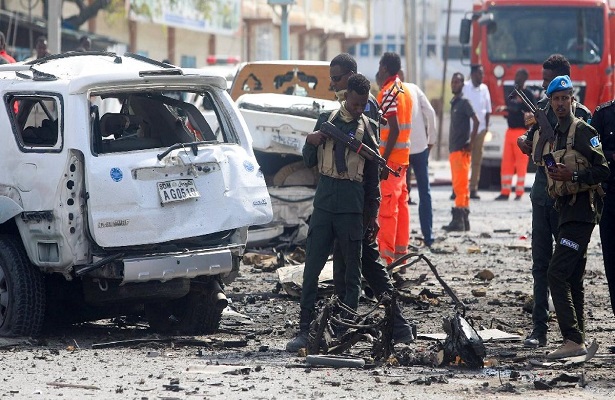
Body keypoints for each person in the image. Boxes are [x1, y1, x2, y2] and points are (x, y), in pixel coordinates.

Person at [286, 74, 380, 352]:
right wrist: (311, 141)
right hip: (325, 205)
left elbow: (373, 178)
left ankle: (345, 331)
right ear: (345, 97)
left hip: (352, 208)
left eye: (363, 104)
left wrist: (372, 213)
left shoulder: (369, 129)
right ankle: (305, 329)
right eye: (354, 103)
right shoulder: (327, 120)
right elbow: (307, 160)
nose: (359, 108)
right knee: (312, 269)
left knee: (352, 274)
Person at [327, 53, 414, 345]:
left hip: (361, 200)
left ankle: (390, 326)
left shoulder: (365, 107)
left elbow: (370, 159)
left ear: (351, 76)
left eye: (337, 78)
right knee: (357, 261)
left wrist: (370, 208)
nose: (333, 84)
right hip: (352, 200)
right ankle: (391, 326)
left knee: (366, 263)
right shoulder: (350, 107)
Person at [517, 54, 592, 348]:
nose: (544, 87)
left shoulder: (581, 117)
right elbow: (531, 140)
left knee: (571, 270)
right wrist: (525, 143)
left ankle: (574, 333)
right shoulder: (542, 113)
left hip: (569, 204)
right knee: (540, 264)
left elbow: (592, 164)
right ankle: (539, 328)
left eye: (548, 81)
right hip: (541, 197)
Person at [540, 75, 609, 359]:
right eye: (555, 99)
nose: (560, 103)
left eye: (564, 98)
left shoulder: (582, 130)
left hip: (582, 214)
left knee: (555, 273)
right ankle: (577, 338)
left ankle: (571, 338)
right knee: (574, 277)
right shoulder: (556, 132)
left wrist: (574, 175)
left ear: (572, 99)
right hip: (565, 211)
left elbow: (603, 170)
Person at [375, 52, 412, 265]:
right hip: (403, 160)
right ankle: (401, 257)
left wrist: (382, 160)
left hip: (390, 162)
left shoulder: (389, 92)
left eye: (380, 67)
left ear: (385, 68)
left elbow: (395, 129)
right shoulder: (405, 90)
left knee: (387, 212)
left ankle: (387, 261)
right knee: (401, 208)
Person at [398, 70, 437, 246]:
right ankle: (428, 236)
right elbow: (430, 112)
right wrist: (431, 140)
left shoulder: (391, 91)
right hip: (420, 148)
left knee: (400, 194)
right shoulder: (414, 89)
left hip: (401, 150)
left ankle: (401, 237)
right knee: (424, 192)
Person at [442, 72, 479, 231]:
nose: (454, 84)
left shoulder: (464, 102)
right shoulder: (455, 102)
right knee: (460, 186)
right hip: (455, 150)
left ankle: (459, 220)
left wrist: (471, 141)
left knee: (460, 185)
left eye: (457, 82)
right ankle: (463, 220)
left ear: (463, 84)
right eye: (452, 82)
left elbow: (476, 121)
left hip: (461, 149)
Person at [590, 99, 615, 317]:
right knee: (612, 266)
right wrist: (611, 155)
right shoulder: (603, 115)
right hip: (610, 199)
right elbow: (589, 152)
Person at [495, 68, 535, 201]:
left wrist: (515, 107)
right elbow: (511, 105)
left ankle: (519, 192)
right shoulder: (513, 93)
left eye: (519, 76)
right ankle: (505, 191)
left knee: (521, 164)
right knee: (507, 163)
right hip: (510, 131)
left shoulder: (529, 94)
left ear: (524, 78)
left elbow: (531, 111)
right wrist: (511, 107)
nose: (516, 78)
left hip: (522, 132)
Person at [462, 64, 491, 200]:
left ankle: (473, 189)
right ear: (473, 74)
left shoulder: (484, 89)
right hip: (466, 131)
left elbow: (488, 110)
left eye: (482, 74)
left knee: (476, 161)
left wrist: (486, 129)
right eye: (479, 74)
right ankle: (459, 189)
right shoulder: (464, 87)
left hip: (479, 131)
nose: (482, 76)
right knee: (462, 161)